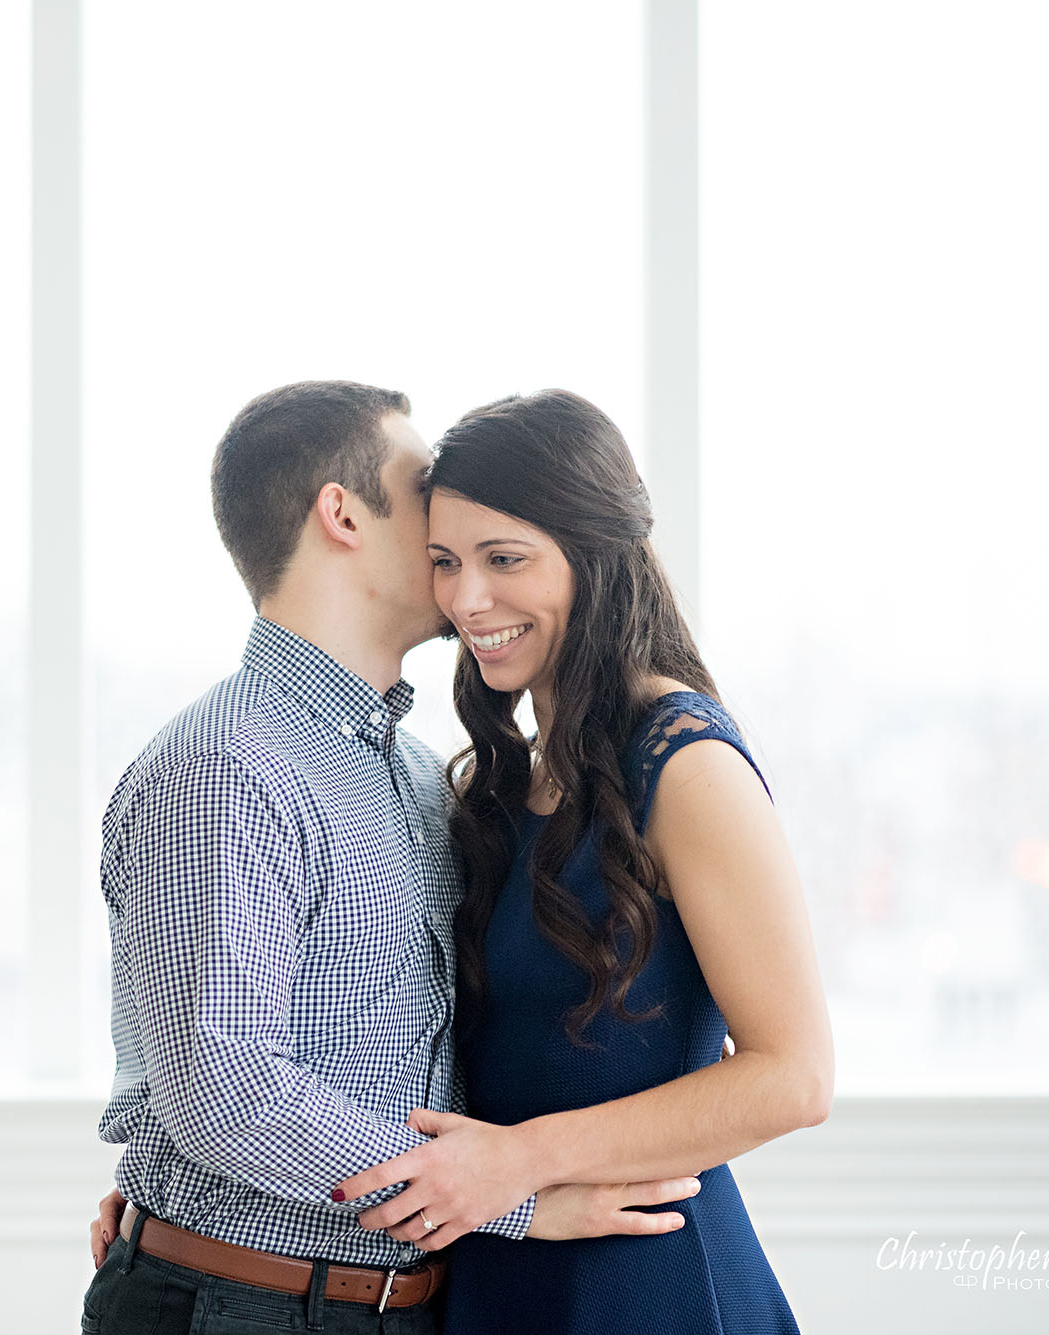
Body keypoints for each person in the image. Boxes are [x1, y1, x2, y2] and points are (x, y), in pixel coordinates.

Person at [79, 381, 703, 1335]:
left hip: (399, 1305)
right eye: (425, 496)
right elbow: (225, 1091)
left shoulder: (417, 776)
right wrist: (521, 1199)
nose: (452, 518)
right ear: (342, 514)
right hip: (249, 1306)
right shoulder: (222, 770)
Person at [332, 389, 834, 1332]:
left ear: (595, 554)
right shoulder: (498, 779)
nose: (466, 599)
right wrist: (183, 1202)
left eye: (504, 558)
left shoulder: (686, 764)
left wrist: (518, 1159)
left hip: (646, 1285)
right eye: (445, 562)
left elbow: (794, 1076)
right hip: (502, 1266)